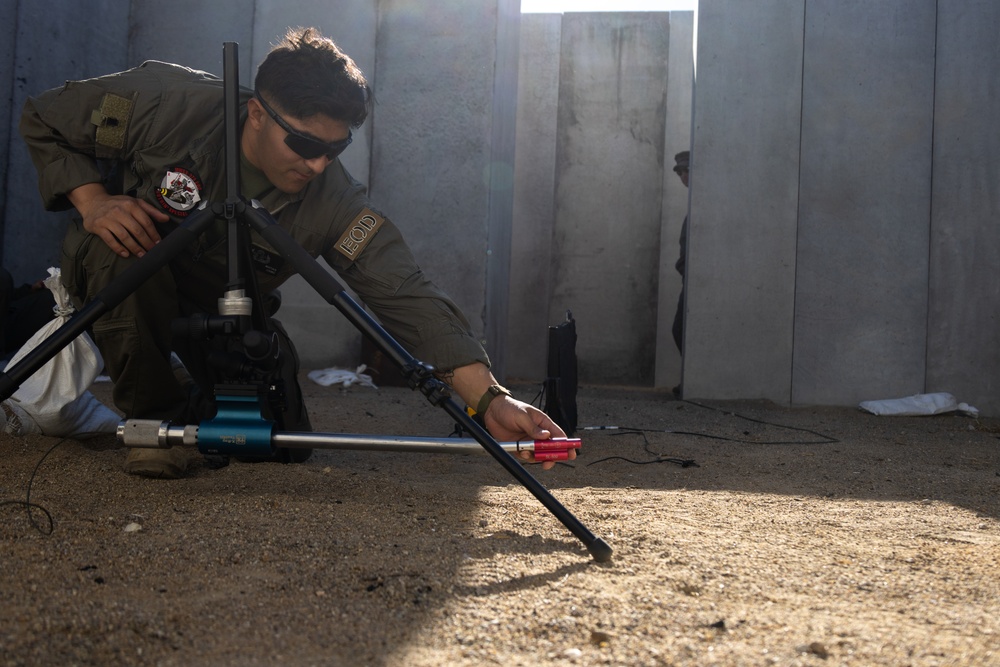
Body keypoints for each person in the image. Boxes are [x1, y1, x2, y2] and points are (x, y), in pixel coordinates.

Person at [19, 27, 569, 478]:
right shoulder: (167, 103)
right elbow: (46, 117)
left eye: (337, 149)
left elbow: (407, 294)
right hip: (133, 267)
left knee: (281, 446)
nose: (318, 166)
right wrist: (94, 202)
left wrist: (491, 400)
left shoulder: (335, 201)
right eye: (305, 145)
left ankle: (195, 388)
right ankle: (155, 422)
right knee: (114, 251)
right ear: (257, 112)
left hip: (228, 312)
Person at [671, 150, 690, 396]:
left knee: (680, 329)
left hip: (696, 280)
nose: (682, 175)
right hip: (690, 277)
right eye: (679, 172)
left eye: (685, 170)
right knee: (679, 330)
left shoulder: (702, 203)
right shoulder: (694, 202)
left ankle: (693, 381)